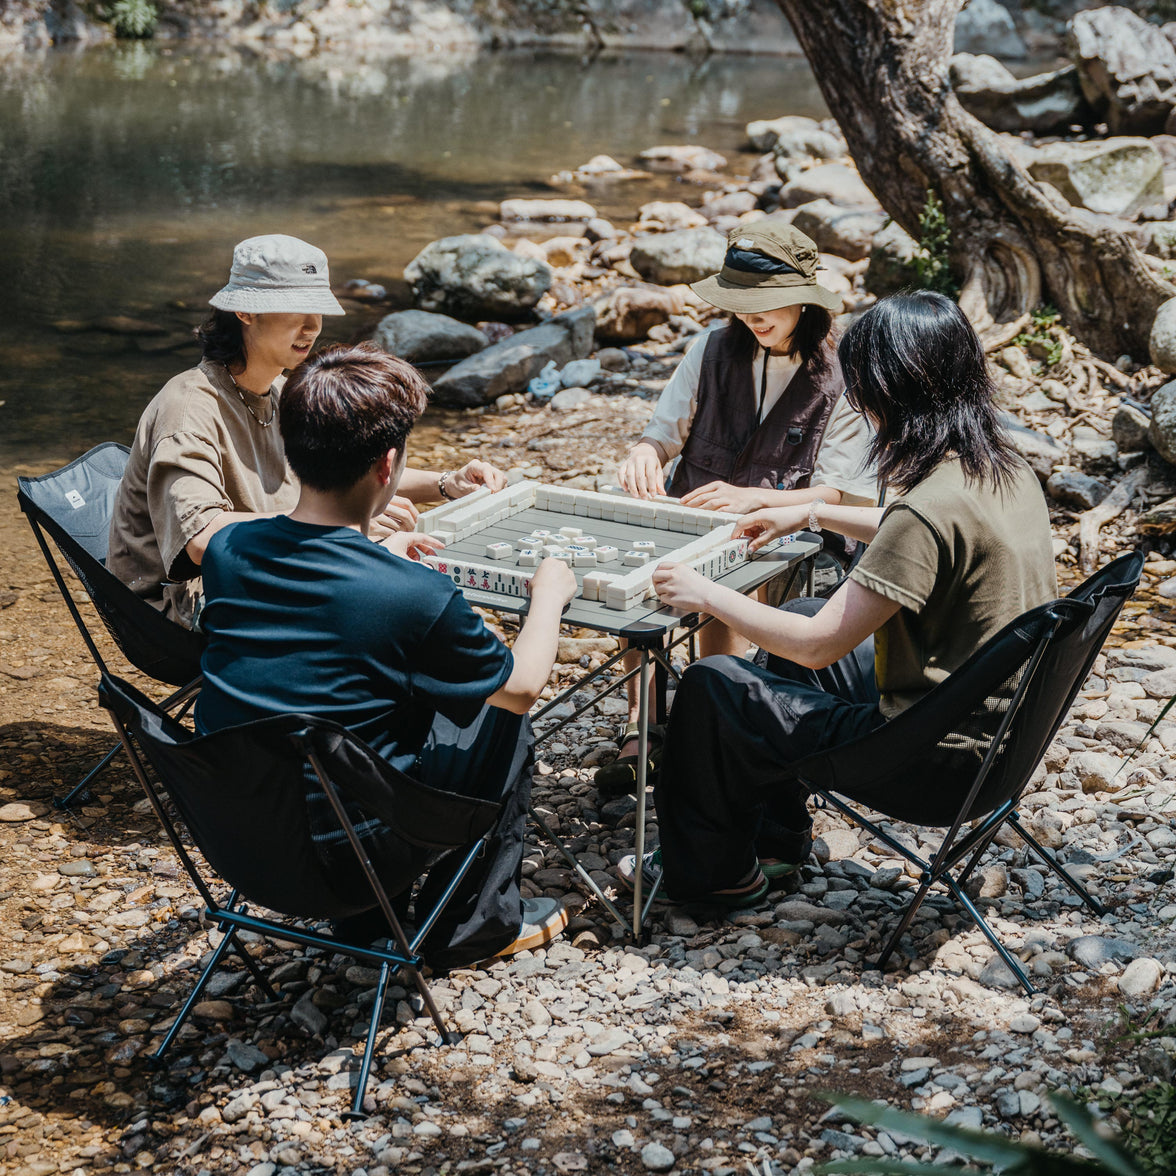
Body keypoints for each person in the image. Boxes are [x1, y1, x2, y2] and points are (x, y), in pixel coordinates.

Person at [615, 290, 1058, 909]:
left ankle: (714, 874)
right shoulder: (1000, 470)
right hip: (999, 742)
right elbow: (919, 528)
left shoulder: (932, 508)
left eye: (864, 391)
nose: (859, 404)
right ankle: (776, 840)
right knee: (792, 613)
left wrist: (706, 593)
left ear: (894, 393)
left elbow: (820, 645)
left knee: (713, 684)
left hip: (930, 764)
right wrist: (813, 511)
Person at [194, 342, 579, 965]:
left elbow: (311, 633)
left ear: (293, 453)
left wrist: (381, 556)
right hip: (349, 858)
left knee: (353, 704)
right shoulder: (412, 595)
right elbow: (523, 685)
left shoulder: (229, 550)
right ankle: (470, 928)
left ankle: (372, 929)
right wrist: (550, 597)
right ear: (388, 466)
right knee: (496, 720)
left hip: (240, 839)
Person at [598, 221, 877, 794]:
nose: (754, 318)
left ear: (804, 297)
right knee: (635, 571)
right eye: (742, 304)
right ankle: (643, 724)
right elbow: (662, 433)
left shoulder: (843, 373)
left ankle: (708, 714)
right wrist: (644, 453)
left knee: (733, 574)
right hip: (691, 512)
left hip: (789, 533)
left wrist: (758, 498)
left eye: (767, 304)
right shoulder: (711, 349)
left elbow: (840, 492)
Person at [108, 233, 506, 628]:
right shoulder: (189, 407)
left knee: (390, 574)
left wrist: (447, 483)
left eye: (318, 309)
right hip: (179, 606)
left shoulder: (281, 390)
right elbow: (200, 538)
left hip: (256, 566)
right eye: (297, 309)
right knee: (381, 585)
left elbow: (347, 474)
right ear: (245, 312)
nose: (313, 326)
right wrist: (333, 527)